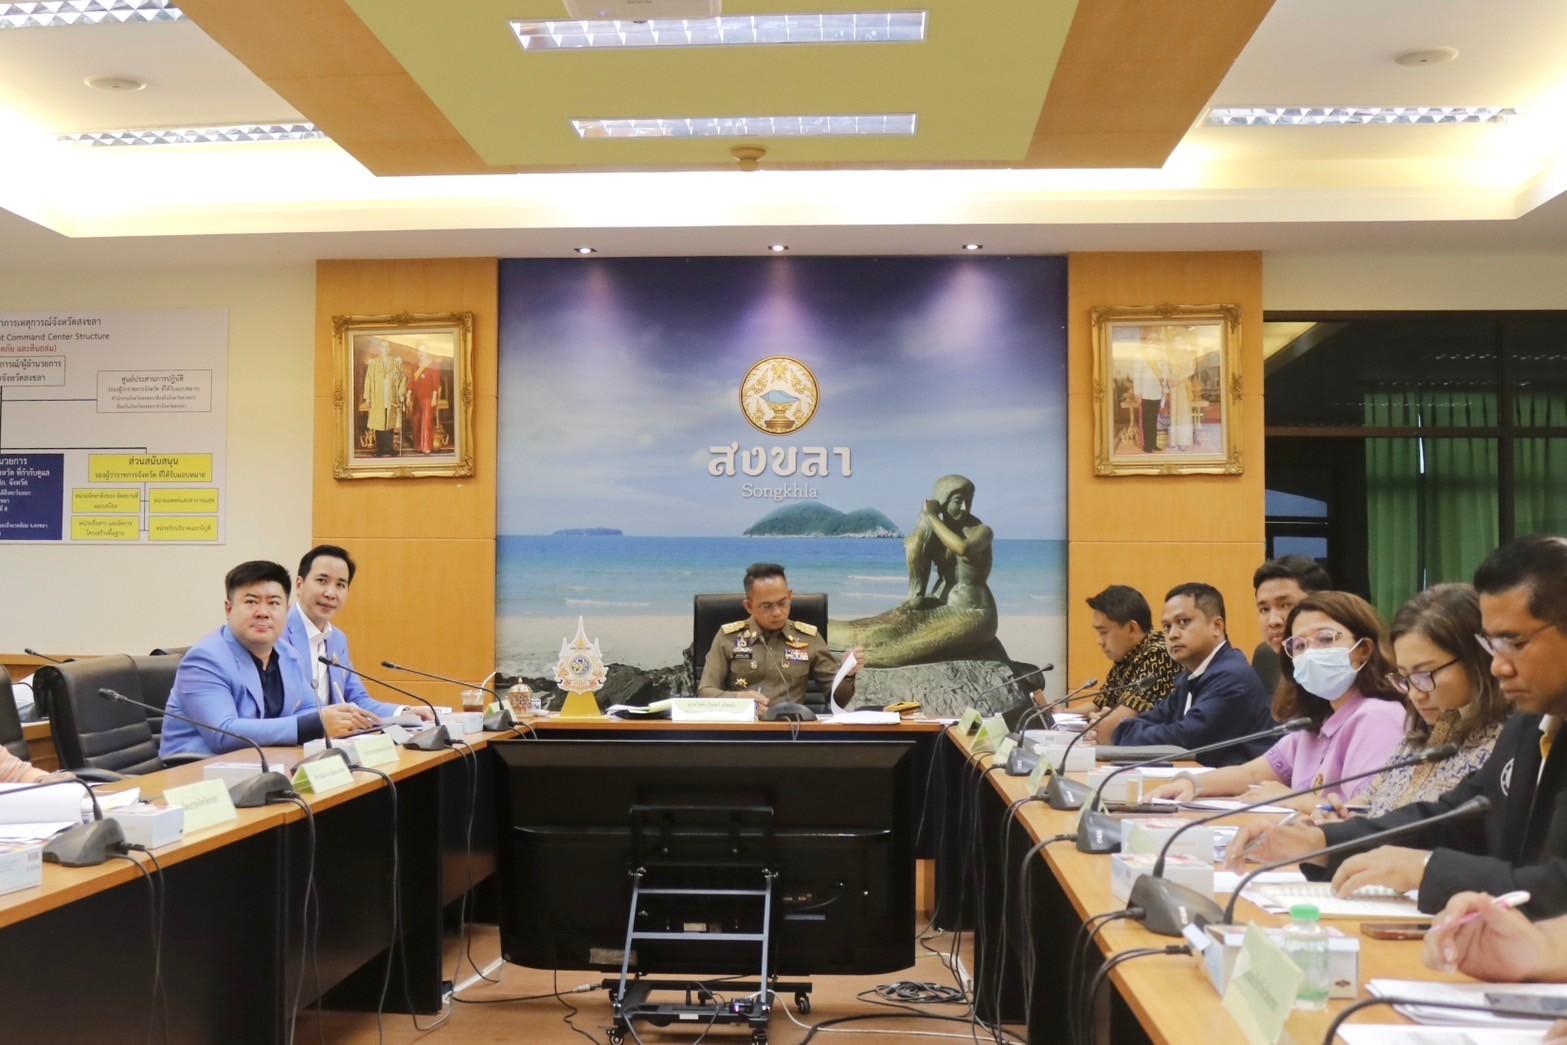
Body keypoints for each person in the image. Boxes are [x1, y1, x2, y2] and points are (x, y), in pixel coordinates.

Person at [1226, 536, 1567, 917]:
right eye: (1494, 647)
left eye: (1515, 643)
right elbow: (1451, 818)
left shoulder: (1510, 722)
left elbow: (1558, 886)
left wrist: (1426, 869)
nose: (1499, 666)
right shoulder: (1529, 725)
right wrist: (1319, 841)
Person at [1148, 591, 1406, 812]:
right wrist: (1191, 783)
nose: (1311, 653)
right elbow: (1250, 774)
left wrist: (1289, 798)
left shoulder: (1378, 717)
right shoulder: (1317, 722)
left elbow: (1365, 814)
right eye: (1299, 645)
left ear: (1363, 651)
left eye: (1326, 639)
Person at [161, 560, 381, 757]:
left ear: (286, 610)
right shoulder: (204, 660)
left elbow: (308, 709)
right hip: (198, 772)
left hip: (264, 764)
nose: (263, 612)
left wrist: (341, 719)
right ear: (229, 609)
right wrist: (313, 725)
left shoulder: (287, 654)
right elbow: (224, 733)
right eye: (251, 602)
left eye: (274, 603)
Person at [1356, 584, 1508, 817]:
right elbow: (1367, 803)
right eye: (1405, 678)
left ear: (1476, 660)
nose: (1415, 694)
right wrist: (1337, 816)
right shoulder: (1417, 740)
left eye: (1424, 674)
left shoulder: (1504, 745)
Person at [1085, 583, 1275, 767]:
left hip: (1243, 785)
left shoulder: (1231, 677)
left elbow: (1185, 740)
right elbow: (1154, 719)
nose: (1172, 635)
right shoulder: (1189, 677)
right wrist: (1122, 728)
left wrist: (1116, 732)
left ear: (1217, 626)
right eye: (1167, 627)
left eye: (1183, 622)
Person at [281, 545, 433, 723]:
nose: (331, 593)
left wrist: (404, 712)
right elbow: (281, 709)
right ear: (299, 585)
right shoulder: (276, 635)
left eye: (340, 585)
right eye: (322, 581)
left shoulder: (338, 639)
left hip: (333, 736)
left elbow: (358, 700)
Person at [698, 562, 862, 710]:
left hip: (792, 728)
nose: (777, 612)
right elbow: (705, 693)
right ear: (749, 606)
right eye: (767, 606)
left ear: (790, 596)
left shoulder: (808, 638)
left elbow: (837, 701)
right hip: (743, 728)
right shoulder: (728, 638)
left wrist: (847, 674)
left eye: (782, 603)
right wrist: (739, 700)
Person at [1085, 585, 1180, 715]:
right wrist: (1059, 713)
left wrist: (1099, 721)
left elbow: (1127, 716)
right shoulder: (1126, 656)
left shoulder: (1159, 654)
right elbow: (1099, 706)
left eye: (1104, 632)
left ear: (1131, 628)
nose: (1099, 641)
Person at [1251, 555, 1332, 694]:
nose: (1273, 621)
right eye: (1264, 609)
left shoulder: (1341, 664)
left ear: (1321, 604)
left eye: (1285, 605)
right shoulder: (1266, 657)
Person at [360, 339, 407, 457]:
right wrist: (367, 397)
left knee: (390, 423)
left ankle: (389, 448)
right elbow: (368, 380)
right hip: (378, 397)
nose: (385, 349)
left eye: (387, 347)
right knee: (379, 423)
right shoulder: (374, 363)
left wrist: (401, 393)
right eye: (383, 347)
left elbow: (403, 378)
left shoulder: (395, 363)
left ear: (389, 349)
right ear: (379, 349)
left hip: (391, 398)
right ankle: (380, 449)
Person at [409, 348, 442, 455]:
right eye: (418, 351)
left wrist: (434, 397)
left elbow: (436, 383)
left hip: (428, 397)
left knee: (426, 422)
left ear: (427, 352)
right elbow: (412, 380)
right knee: (416, 421)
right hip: (417, 397)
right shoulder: (415, 365)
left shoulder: (433, 365)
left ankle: (426, 446)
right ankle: (418, 446)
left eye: (422, 351)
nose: (420, 353)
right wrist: (409, 392)